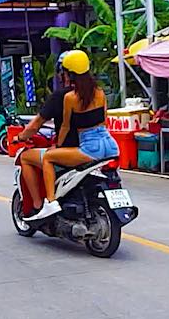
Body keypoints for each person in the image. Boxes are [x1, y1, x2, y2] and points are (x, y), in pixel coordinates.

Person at [24, 50, 119, 222]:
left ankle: (51, 202)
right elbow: (104, 120)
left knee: (48, 158)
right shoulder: (100, 92)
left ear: (68, 73)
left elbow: (66, 126)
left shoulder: (70, 98)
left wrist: (58, 146)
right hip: (110, 145)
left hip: (90, 148)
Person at [11, 52, 82, 213]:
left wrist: (19, 137)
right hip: (99, 147)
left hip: (72, 151)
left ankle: (39, 205)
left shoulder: (62, 97)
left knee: (26, 157)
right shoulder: (96, 94)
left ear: (64, 73)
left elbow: (36, 126)